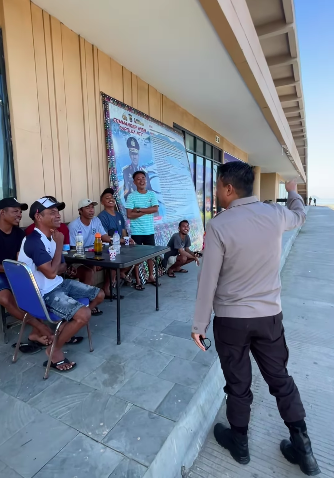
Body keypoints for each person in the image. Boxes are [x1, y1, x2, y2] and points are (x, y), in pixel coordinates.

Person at [191, 162, 319, 476]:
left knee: (238, 384)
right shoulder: (274, 215)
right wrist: (292, 192)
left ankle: (240, 444)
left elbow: (208, 279)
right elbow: (300, 215)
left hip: (231, 321)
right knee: (281, 380)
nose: (217, 191)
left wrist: (199, 325)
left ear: (229, 188)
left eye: (218, 185)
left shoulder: (220, 225)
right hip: (269, 318)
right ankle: (304, 450)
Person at [18, 197, 104, 371]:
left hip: (58, 283)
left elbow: (61, 266)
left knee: (99, 295)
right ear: (38, 217)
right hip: (44, 293)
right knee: (84, 314)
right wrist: (58, 248)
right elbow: (50, 272)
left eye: (58, 211)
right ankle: (54, 349)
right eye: (52, 212)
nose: (58, 215)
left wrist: (55, 265)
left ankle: (63, 331)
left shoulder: (50, 236)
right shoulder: (35, 240)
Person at [0, 197, 54, 346]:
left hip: (17, 271)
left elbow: (21, 259)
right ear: (2, 212)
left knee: (37, 287)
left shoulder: (19, 234)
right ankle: (40, 327)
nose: (19, 214)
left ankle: (34, 334)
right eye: (15, 211)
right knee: (5, 299)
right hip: (2, 274)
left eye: (20, 211)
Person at [126, 171, 159, 290]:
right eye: (138, 179)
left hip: (149, 230)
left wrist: (139, 210)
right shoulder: (131, 196)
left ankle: (151, 277)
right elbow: (129, 215)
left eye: (143, 178)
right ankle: (138, 280)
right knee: (137, 257)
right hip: (137, 232)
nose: (141, 180)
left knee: (151, 256)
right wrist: (146, 210)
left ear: (146, 180)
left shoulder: (151, 195)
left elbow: (155, 209)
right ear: (134, 182)